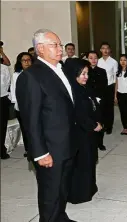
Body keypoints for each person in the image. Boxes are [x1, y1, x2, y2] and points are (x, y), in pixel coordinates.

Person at [16, 29, 77, 222]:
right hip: (49, 149)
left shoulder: (60, 69)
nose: (60, 49)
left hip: (66, 144)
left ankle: (60, 217)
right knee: (50, 194)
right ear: (40, 49)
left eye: (60, 45)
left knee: (62, 189)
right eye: (55, 45)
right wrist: (40, 152)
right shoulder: (31, 76)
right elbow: (30, 119)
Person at [64, 58, 102, 204]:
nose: (86, 76)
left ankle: (90, 188)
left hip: (89, 132)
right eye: (82, 73)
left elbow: (94, 106)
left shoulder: (84, 87)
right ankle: (79, 193)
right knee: (81, 163)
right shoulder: (73, 90)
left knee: (90, 160)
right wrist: (93, 125)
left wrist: (98, 121)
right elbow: (79, 114)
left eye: (87, 73)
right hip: (80, 134)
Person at [10, 52, 33, 157]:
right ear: (20, 62)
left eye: (29, 60)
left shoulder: (35, 73)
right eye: (24, 60)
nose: (27, 62)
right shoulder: (16, 74)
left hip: (34, 106)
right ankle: (28, 149)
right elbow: (14, 91)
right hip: (21, 107)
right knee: (25, 128)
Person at [86, 50, 107, 151]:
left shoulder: (102, 71)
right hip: (88, 100)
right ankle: (91, 143)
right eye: (91, 58)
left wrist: (100, 98)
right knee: (90, 122)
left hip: (99, 100)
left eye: (95, 58)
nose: (93, 60)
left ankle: (100, 143)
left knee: (100, 121)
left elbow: (104, 87)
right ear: (87, 59)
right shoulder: (85, 71)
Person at [98, 42, 118, 135]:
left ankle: (109, 126)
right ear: (100, 50)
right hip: (100, 87)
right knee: (101, 107)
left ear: (109, 50)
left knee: (109, 108)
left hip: (110, 87)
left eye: (107, 48)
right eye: (103, 48)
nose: (105, 50)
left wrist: (115, 93)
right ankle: (102, 125)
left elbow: (115, 78)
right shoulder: (98, 61)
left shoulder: (114, 62)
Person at [114, 54, 127, 135]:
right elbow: (116, 84)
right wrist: (115, 96)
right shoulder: (118, 71)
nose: (123, 62)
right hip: (120, 94)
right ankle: (124, 127)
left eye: (125, 60)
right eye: (121, 60)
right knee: (122, 112)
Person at [1, 63, 11, 159]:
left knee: (2, 125)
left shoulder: (4, 68)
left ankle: (2, 149)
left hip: (2, 99)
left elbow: (8, 82)